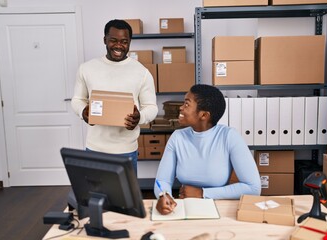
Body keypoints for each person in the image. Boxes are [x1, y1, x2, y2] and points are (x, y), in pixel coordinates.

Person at [154, 84, 261, 215]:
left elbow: (253, 187)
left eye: (187, 104)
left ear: (204, 115)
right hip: (185, 208)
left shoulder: (229, 136)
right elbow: (162, 180)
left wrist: (202, 193)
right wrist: (163, 196)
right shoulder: (177, 137)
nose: (181, 108)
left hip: (220, 207)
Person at [71, 19, 158, 174]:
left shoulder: (141, 72)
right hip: (94, 149)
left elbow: (151, 107)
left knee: (124, 198)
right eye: (113, 40)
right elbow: (77, 100)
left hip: (126, 150)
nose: (119, 46)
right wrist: (83, 111)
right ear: (105, 40)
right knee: (95, 196)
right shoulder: (87, 69)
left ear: (130, 42)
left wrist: (140, 117)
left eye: (124, 41)